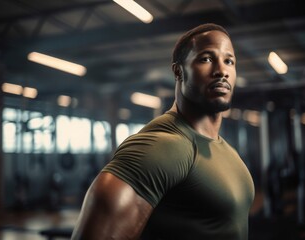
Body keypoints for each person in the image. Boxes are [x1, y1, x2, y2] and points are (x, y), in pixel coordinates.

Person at [71, 23, 255, 240]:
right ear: (178, 71)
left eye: (229, 61)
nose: (221, 71)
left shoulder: (222, 147)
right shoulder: (161, 145)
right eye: (206, 58)